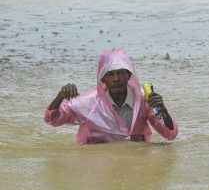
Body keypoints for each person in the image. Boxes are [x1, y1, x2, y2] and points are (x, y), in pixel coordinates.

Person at [44, 48, 178, 144]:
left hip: (135, 161)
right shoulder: (88, 103)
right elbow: (52, 119)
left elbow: (170, 134)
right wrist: (60, 96)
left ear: (129, 75)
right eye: (110, 74)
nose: (116, 79)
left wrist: (163, 109)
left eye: (121, 73)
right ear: (102, 79)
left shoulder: (144, 100)